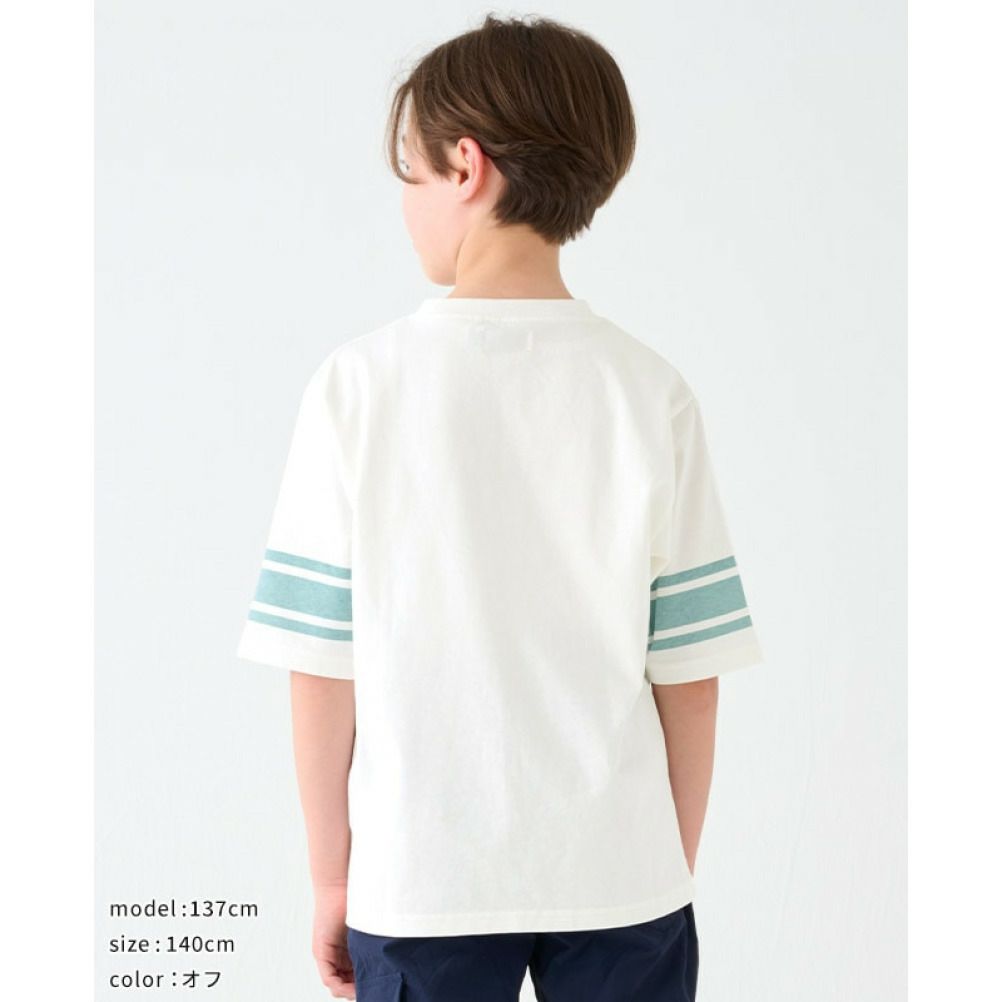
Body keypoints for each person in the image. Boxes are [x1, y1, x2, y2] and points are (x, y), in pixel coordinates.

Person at [236, 13, 764, 1002]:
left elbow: (321, 670)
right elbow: (690, 677)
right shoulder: (651, 393)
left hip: (422, 882)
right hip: (621, 875)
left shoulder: (359, 387)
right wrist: (662, 867)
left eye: (411, 173)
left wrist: (331, 880)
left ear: (465, 167)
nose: (405, 202)